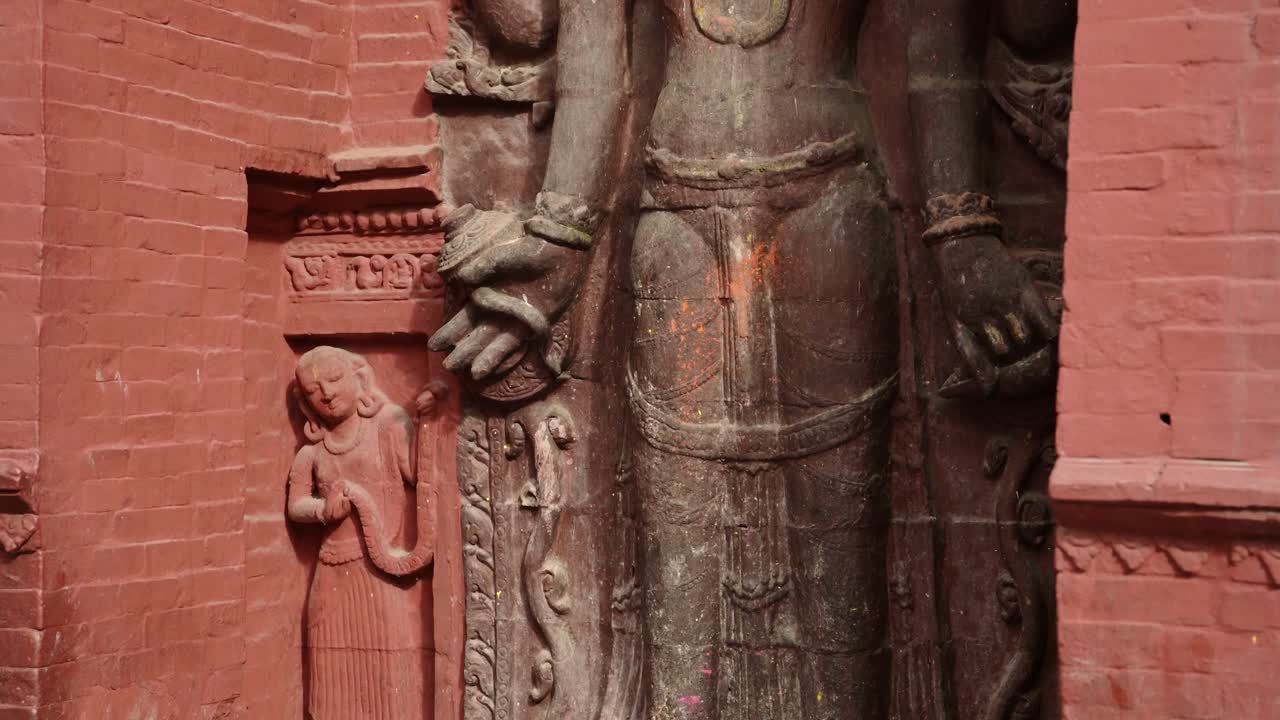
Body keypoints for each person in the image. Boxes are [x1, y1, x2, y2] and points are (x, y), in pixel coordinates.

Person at [430, 1, 1058, 717]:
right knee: (677, 552)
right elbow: (591, 51)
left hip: (831, 207)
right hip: (675, 216)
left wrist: (961, 234)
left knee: (842, 550)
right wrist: (557, 244)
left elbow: (938, 35)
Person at [287, 346, 428, 720]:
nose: (328, 395)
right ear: (306, 403)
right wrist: (322, 509)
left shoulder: (389, 425)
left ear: (360, 378)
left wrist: (429, 423)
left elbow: (420, 475)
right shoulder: (313, 452)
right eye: (315, 392)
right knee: (330, 663)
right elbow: (296, 505)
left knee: (387, 668)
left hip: (381, 570)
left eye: (334, 380)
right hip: (332, 569)